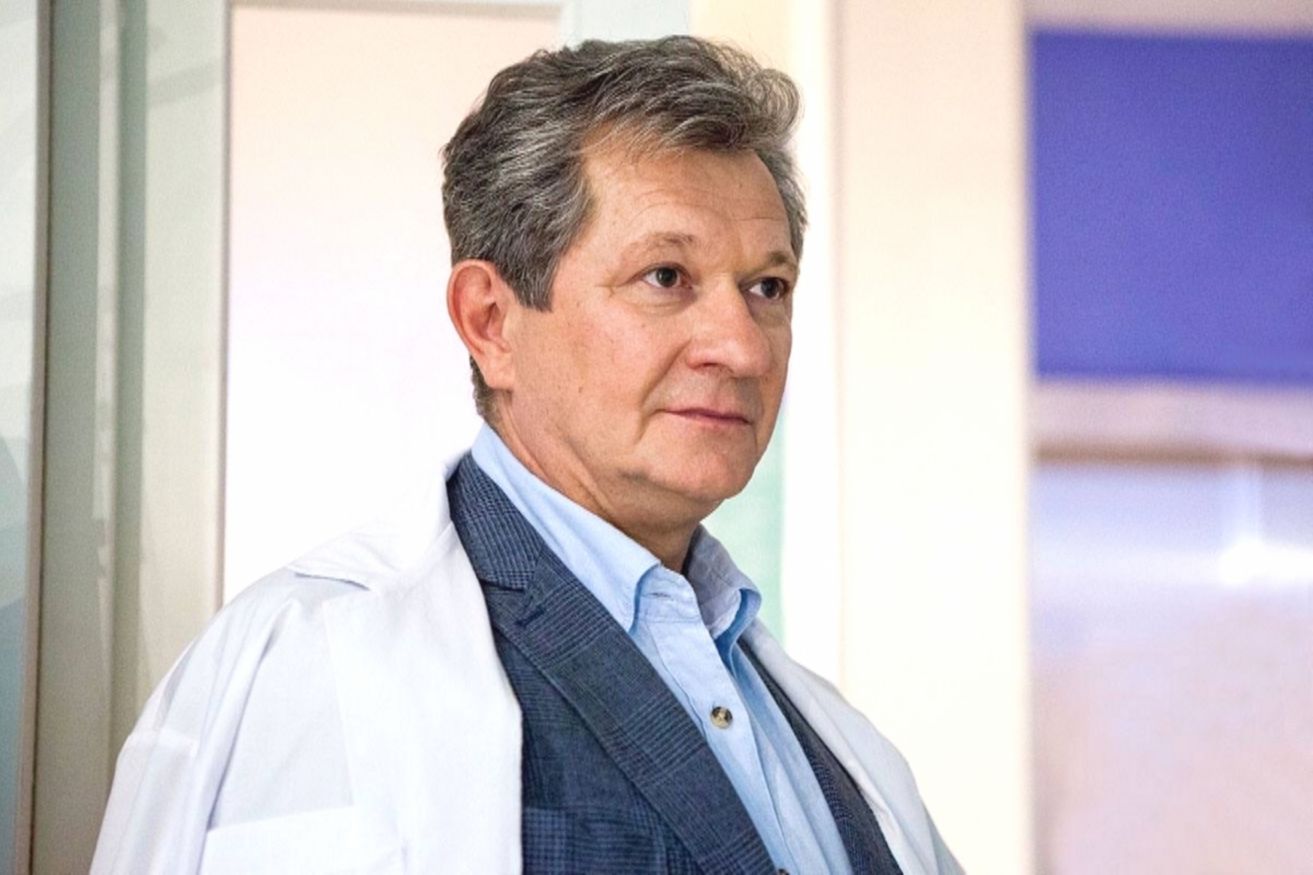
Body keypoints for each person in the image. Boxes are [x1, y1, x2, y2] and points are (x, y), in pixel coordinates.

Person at [91, 36, 961, 874]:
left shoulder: (844, 748)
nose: (741, 346)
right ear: (492, 323)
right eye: (665, 277)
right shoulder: (311, 667)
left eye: (766, 287)